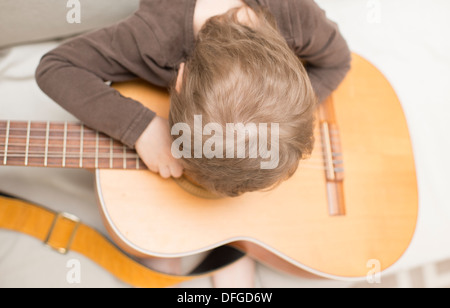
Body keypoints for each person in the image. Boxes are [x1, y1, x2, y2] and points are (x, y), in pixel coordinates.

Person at [35, 0, 351, 288]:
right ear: (180, 78)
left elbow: (337, 62)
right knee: (155, 242)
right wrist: (141, 128)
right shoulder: (151, 39)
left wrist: (292, 117)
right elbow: (55, 68)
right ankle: (206, 244)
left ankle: (233, 242)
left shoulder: (295, 15)